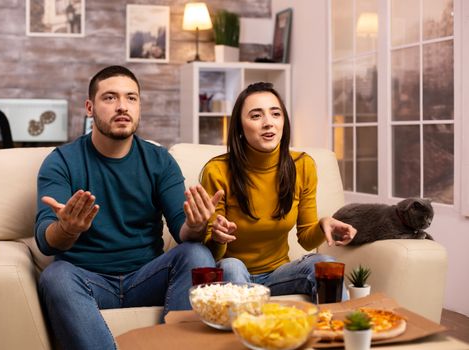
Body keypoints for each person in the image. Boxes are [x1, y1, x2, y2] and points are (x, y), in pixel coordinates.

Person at [35, 65, 223, 350]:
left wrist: (196, 226)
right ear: (90, 107)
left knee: (197, 252)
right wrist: (65, 229)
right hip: (88, 280)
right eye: (110, 98)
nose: (122, 106)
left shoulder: (159, 161)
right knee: (55, 276)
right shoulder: (61, 161)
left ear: (139, 106)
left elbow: (182, 230)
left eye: (131, 98)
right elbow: (45, 241)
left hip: (147, 277)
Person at [200, 82, 356, 302]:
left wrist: (323, 224)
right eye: (256, 116)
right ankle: (250, 333)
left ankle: (340, 330)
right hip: (233, 271)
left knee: (325, 264)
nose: (268, 123)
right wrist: (217, 237)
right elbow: (211, 253)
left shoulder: (303, 165)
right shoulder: (217, 171)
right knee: (232, 266)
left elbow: (306, 240)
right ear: (240, 128)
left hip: (279, 275)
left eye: (275, 114)